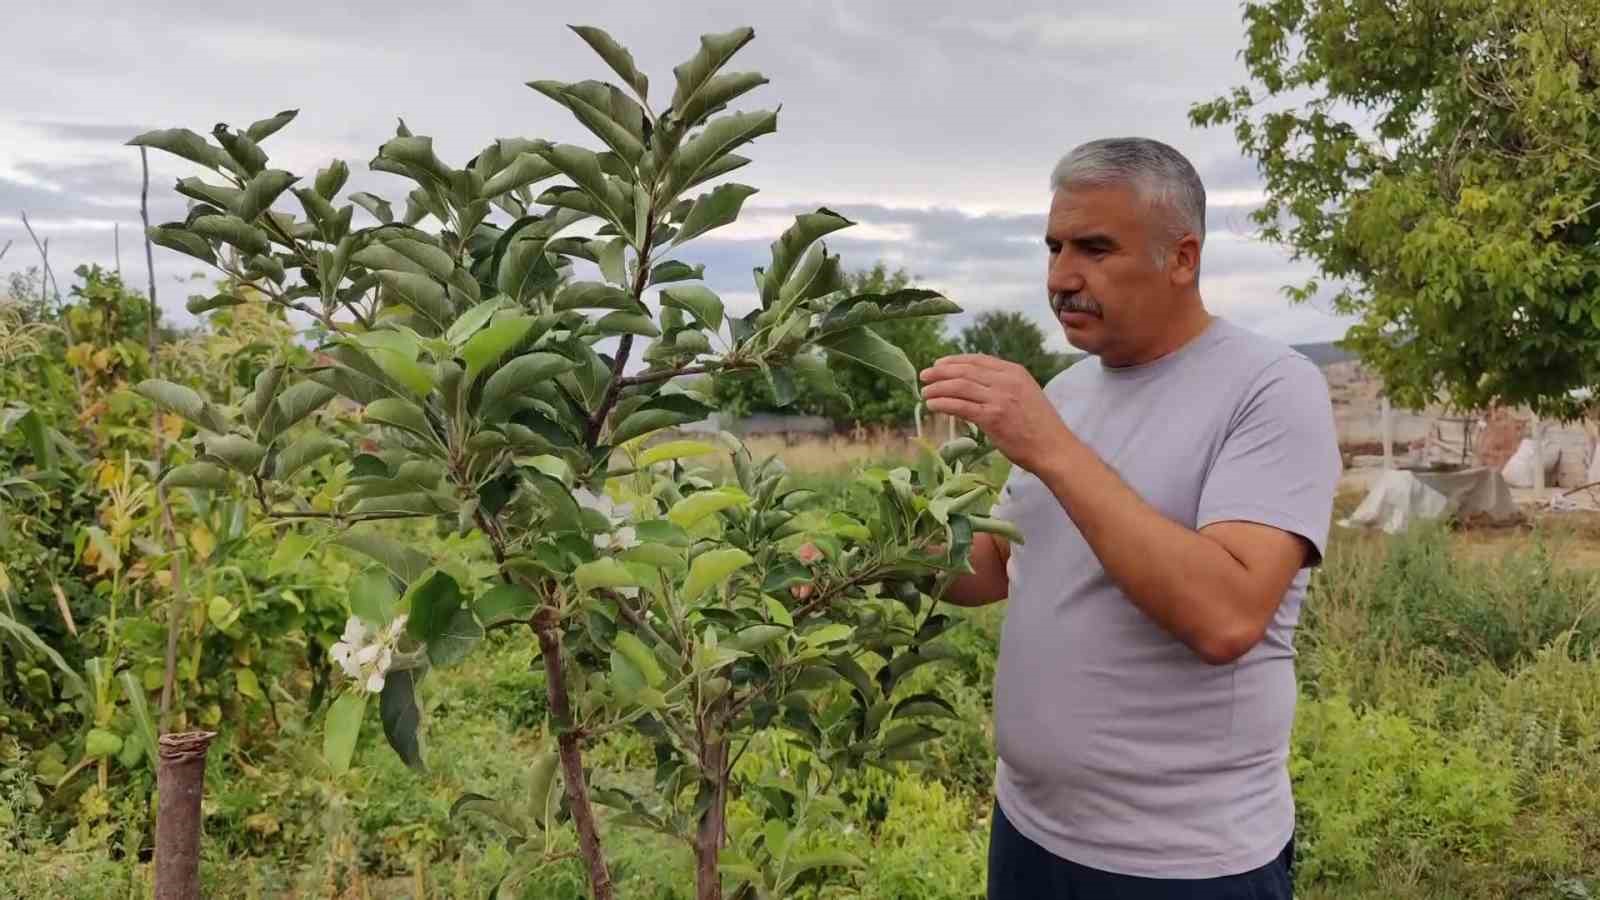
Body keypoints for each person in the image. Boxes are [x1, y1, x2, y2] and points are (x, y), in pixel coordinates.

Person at [919, 137, 1341, 899]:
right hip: (1028, 835)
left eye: (1095, 248)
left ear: (1182, 258)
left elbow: (1226, 615)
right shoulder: (1070, 391)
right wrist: (857, 562)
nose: (1060, 277)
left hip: (1183, 864)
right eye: (1053, 247)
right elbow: (992, 565)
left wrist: (1049, 445)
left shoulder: (1272, 389)